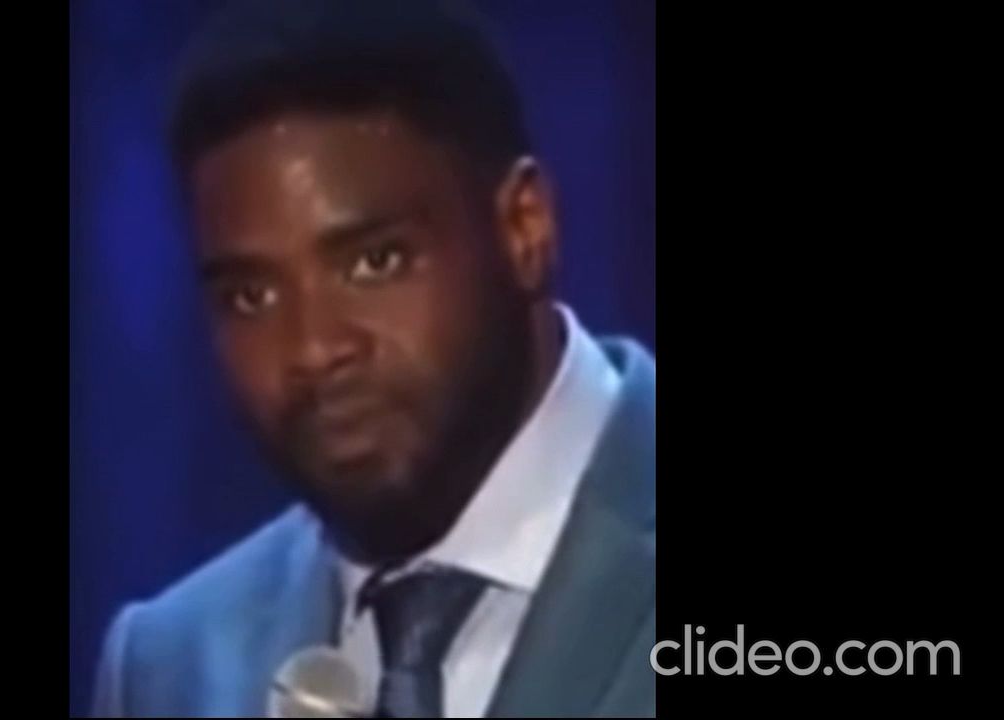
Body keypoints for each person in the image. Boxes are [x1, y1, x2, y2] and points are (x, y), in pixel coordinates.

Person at [92, 0, 654, 716]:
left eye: (375, 262)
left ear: (524, 228)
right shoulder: (170, 667)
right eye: (250, 296)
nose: (314, 349)